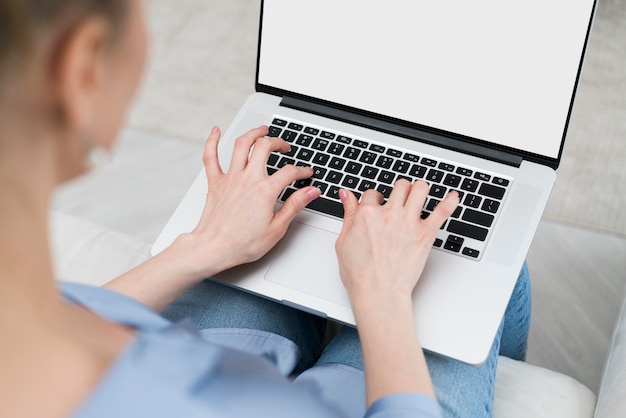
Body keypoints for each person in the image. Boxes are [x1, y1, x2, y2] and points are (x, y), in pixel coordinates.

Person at [0, 0, 531, 417]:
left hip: (189, 362)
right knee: (484, 271)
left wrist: (197, 249)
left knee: (276, 244)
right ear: (83, 67)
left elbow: (65, 320)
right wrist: (383, 296)